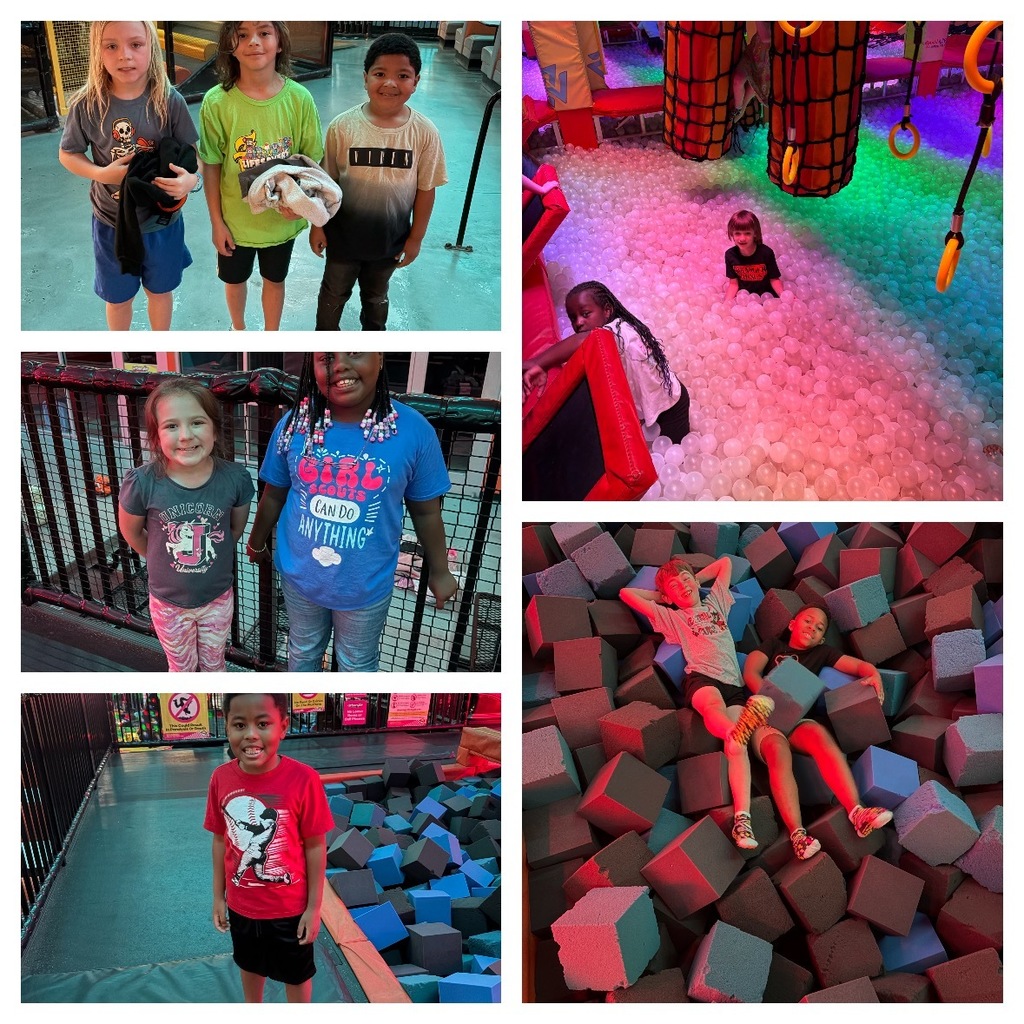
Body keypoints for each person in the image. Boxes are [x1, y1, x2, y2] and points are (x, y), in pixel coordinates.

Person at [246, 352, 459, 671]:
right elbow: (274, 494)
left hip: (365, 585)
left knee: (356, 663)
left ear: (381, 358)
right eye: (326, 358)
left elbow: (426, 513)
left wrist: (440, 571)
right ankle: (304, 719)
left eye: (355, 352)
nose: (340, 365)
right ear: (312, 367)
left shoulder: (414, 431)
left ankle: (351, 722)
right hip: (300, 577)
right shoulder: (295, 424)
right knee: (302, 651)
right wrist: (257, 539)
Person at [620, 556, 775, 850]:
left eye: (685, 580)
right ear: (669, 597)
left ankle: (743, 820)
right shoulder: (674, 618)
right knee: (714, 711)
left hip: (734, 686)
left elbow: (725, 563)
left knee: (737, 748)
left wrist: (695, 580)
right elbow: (626, 594)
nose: (683, 588)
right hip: (701, 678)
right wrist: (663, 597)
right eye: (675, 588)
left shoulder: (716, 604)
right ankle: (733, 731)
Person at [58, 21, 199, 330]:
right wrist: (101, 173)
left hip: (161, 222)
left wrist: (190, 181)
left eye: (135, 45)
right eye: (112, 46)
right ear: (98, 51)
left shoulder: (169, 100)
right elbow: (68, 153)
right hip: (112, 223)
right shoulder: (87, 103)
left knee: (160, 292)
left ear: (152, 48)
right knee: (118, 298)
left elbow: (192, 154)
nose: (125, 56)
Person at [310, 33, 447, 330]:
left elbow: (426, 190)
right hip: (342, 238)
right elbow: (326, 181)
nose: (390, 83)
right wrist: (317, 224)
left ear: (416, 81)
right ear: (365, 77)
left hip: (390, 242)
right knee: (333, 294)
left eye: (403, 75)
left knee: (376, 298)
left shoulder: (425, 133)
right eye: (380, 74)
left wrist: (416, 238)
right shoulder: (342, 127)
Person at [118, 377, 254, 671]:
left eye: (197, 422)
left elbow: (233, 530)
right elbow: (131, 531)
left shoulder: (236, 479)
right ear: (156, 437)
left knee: (215, 663)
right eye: (171, 426)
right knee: (181, 667)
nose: (185, 435)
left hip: (217, 598)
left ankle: (216, 708)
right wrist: (157, 554)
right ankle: (188, 714)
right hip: (168, 603)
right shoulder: (142, 482)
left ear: (215, 430)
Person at [205, 694, 334, 1003]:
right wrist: (218, 897)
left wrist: (314, 908)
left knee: (296, 974)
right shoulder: (221, 778)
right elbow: (220, 839)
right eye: (240, 724)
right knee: (249, 966)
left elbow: (316, 847)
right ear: (227, 727)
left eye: (262, 724)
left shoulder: (304, 780)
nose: (251, 734)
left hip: (290, 910)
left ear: (283, 727)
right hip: (242, 908)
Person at [742, 604, 895, 859]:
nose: (812, 628)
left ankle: (857, 813)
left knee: (820, 737)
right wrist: (771, 701)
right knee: (778, 752)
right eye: (808, 621)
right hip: (764, 718)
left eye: (819, 628)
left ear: (822, 638)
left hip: (797, 720)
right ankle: (797, 836)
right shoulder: (772, 646)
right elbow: (750, 672)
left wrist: (873, 674)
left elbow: (858, 667)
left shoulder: (823, 653)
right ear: (792, 624)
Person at [199, 21, 324, 331]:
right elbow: (211, 164)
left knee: (275, 280)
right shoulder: (216, 102)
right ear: (231, 44)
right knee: (234, 280)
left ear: (279, 42)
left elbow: (312, 163)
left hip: (281, 223)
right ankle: (238, 329)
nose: (253, 41)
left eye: (264, 32)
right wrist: (217, 222)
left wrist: (297, 207)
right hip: (235, 224)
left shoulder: (299, 100)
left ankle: (271, 333)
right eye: (242, 35)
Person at [522, 280, 691, 444]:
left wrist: (539, 362)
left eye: (586, 314)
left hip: (671, 407)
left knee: (677, 454)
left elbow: (585, 339)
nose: (578, 322)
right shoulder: (606, 341)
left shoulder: (620, 332)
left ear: (607, 311)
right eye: (573, 318)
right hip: (646, 407)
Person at [724, 209, 782, 299]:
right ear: (732, 234)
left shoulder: (766, 253)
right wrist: (727, 303)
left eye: (747, 233)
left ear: (755, 233)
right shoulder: (730, 255)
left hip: (766, 298)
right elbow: (733, 284)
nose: (742, 238)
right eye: (737, 233)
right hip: (744, 299)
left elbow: (774, 279)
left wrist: (784, 296)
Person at [730, 21, 772, 125]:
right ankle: (737, 109)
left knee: (748, 95)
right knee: (738, 79)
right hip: (754, 55)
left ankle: (737, 113)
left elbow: (766, 38)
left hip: (765, 68)